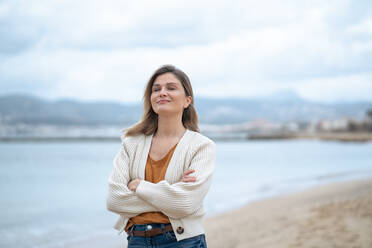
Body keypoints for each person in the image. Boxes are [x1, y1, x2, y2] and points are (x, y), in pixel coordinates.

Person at [106, 64, 216, 247]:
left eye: (171, 88)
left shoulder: (201, 146)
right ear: (151, 99)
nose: (162, 92)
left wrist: (140, 186)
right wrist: (170, 193)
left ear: (187, 100)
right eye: (156, 89)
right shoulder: (131, 144)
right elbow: (114, 200)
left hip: (182, 240)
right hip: (137, 240)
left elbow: (185, 203)